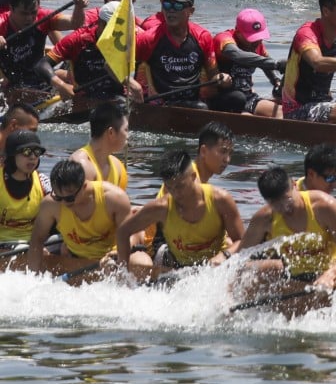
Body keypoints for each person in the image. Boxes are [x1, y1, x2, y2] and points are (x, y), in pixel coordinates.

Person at [237, 164, 336, 291]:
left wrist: (329, 276)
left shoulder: (324, 206)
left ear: (294, 185)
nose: (284, 208)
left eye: (287, 200)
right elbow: (239, 259)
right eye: (276, 204)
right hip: (296, 280)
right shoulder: (264, 218)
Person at [115, 149, 244, 269]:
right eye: (170, 188)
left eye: (180, 186)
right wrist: (122, 272)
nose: (176, 194)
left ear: (193, 177)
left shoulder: (220, 200)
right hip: (176, 266)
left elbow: (244, 242)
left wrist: (224, 256)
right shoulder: (162, 207)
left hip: (214, 265)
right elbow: (123, 231)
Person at [27, 158, 146, 271]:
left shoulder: (114, 198)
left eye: (69, 198)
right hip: (75, 257)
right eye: (58, 197)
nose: (63, 203)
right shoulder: (50, 204)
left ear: (85, 186)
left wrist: (119, 257)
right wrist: (33, 275)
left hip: (111, 257)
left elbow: (131, 234)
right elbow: (37, 240)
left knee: (142, 263)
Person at [134, 0, 231, 107]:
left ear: (191, 11)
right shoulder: (148, 38)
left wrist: (222, 78)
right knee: (201, 108)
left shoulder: (203, 37)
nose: (171, 10)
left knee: (235, 99)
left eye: (178, 6)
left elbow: (213, 74)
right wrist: (130, 82)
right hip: (161, 102)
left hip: (192, 100)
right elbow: (114, 64)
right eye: (167, 5)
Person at [36, 1, 138, 102]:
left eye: (122, 31)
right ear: (100, 23)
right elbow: (42, 65)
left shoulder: (131, 37)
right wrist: (61, 85)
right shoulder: (78, 40)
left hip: (118, 98)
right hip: (84, 100)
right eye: (112, 30)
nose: (117, 36)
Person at [0, 0, 88, 91]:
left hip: (41, 75)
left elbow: (75, 23)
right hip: (15, 85)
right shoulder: (1, 24)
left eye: (33, 12)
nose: (29, 18)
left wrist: (79, 7)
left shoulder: (43, 17)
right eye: (24, 13)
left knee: (82, 80)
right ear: (11, 8)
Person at [210, 8, 284, 118]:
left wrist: (276, 82)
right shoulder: (224, 39)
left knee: (280, 112)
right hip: (223, 97)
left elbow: (265, 65)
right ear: (238, 31)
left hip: (248, 96)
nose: (257, 42)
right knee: (245, 111)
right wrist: (276, 64)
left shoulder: (257, 45)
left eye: (259, 37)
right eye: (252, 38)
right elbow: (237, 55)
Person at [0, 130, 51, 244]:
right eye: (26, 151)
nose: (33, 157)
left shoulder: (43, 182)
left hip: (33, 244)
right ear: (12, 155)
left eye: (37, 152)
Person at [66, 102, 130, 190]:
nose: (128, 135)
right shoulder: (81, 165)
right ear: (111, 132)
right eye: (126, 129)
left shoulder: (117, 166)